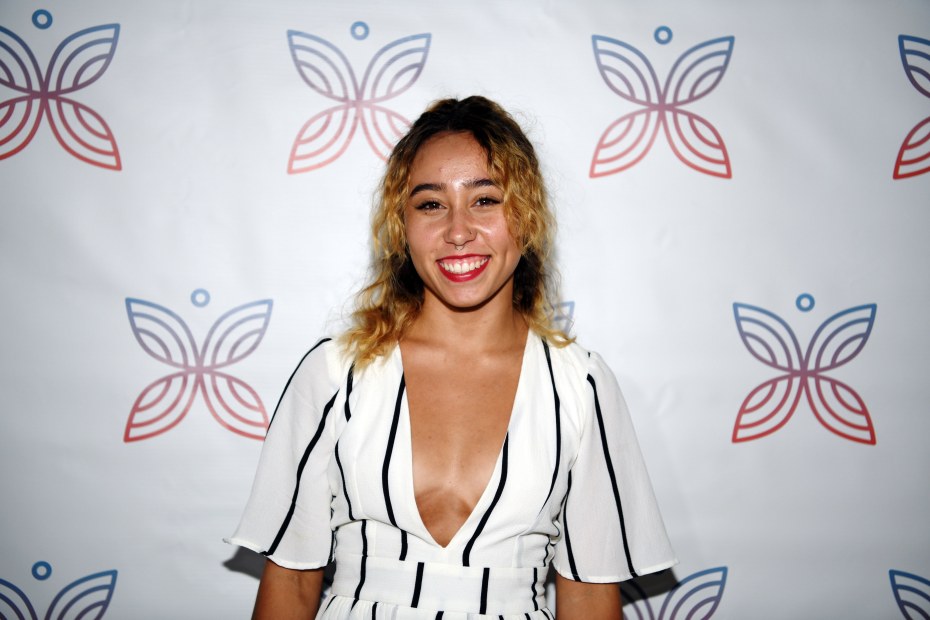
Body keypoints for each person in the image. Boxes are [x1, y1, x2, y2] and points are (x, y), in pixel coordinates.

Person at [228, 96, 676, 619]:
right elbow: (290, 582)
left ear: (527, 215)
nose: (458, 231)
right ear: (402, 225)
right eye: (431, 204)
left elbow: (589, 594)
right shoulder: (334, 373)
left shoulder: (581, 385)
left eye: (485, 199)